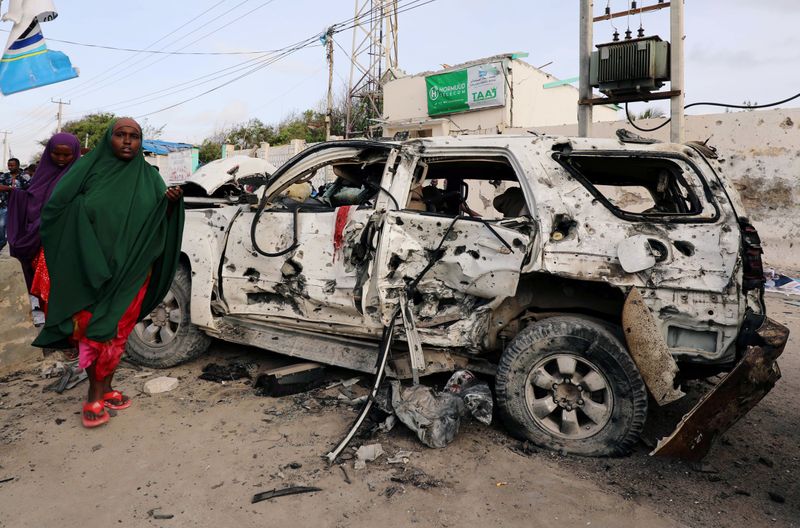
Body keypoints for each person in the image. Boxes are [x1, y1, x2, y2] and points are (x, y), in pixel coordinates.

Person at [32, 118, 185, 428]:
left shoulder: (150, 178)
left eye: (134, 136)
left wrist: (170, 206)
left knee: (119, 332)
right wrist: (80, 220)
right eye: (120, 135)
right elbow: (55, 210)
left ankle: (108, 388)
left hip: (132, 273)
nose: (127, 142)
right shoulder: (88, 170)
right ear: (108, 139)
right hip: (90, 271)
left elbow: (157, 224)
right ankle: (93, 394)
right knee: (94, 331)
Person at [6, 134, 81, 325]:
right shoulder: (41, 174)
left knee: (67, 288)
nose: (62, 159)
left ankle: (69, 332)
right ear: (49, 153)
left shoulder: (81, 175)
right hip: (42, 242)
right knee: (47, 287)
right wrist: (14, 194)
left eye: (67, 155)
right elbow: (32, 199)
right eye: (56, 154)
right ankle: (54, 329)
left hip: (69, 242)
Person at [0, 157, 26, 251]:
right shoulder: (4, 176)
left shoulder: (24, 177)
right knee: (1, 225)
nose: (10, 167)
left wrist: (13, 190)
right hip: (5, 205)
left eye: (12, 165)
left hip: (19, 206)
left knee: (18, 226)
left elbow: (29, 190)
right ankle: (2, 242)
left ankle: (18, 246)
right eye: (9, 165)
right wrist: (10, 189)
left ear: (18, 165)